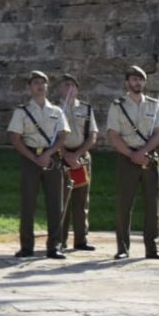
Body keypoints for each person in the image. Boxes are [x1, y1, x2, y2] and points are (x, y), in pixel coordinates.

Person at [106, 65, 159, 260]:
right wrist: (132, 154)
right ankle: (123, 248)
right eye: (133, 79)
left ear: (144, 82)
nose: (137, 82)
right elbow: (113, 135)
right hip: (127, 158)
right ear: (127, 83)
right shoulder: (117, 106)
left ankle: (152, 248)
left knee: (152, 205)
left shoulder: (154, 105)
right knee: (125, 204)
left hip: (149, 158)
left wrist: (143, 152)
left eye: (140, 79)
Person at [7, 70, 70, 260]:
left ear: (47, 86)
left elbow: (63, 135)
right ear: (29, 87)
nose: (40, 86)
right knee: (28, 203)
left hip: (51, 158)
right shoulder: (22, 111)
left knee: (55, 203)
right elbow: (15, 138)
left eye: (43, 82)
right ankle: (26, 246)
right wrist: (34, 158)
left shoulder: (57, 111)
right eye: (35, 82)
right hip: (30, 157)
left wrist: (49, 154)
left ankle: (54, 246)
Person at [57, 74, 98, 252]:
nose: (70, 89)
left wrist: (78, 155)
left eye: (73, 86)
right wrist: (65, 154)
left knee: (82, 201)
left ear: (78, 89)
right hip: (61, 156)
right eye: (66, 85)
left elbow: (92, 135)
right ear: (60, 89)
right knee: (62, 199)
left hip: (81, 156)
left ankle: (81, 239)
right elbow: (51, 136)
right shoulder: (55, 110)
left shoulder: (86, 109)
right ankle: (60, 239)